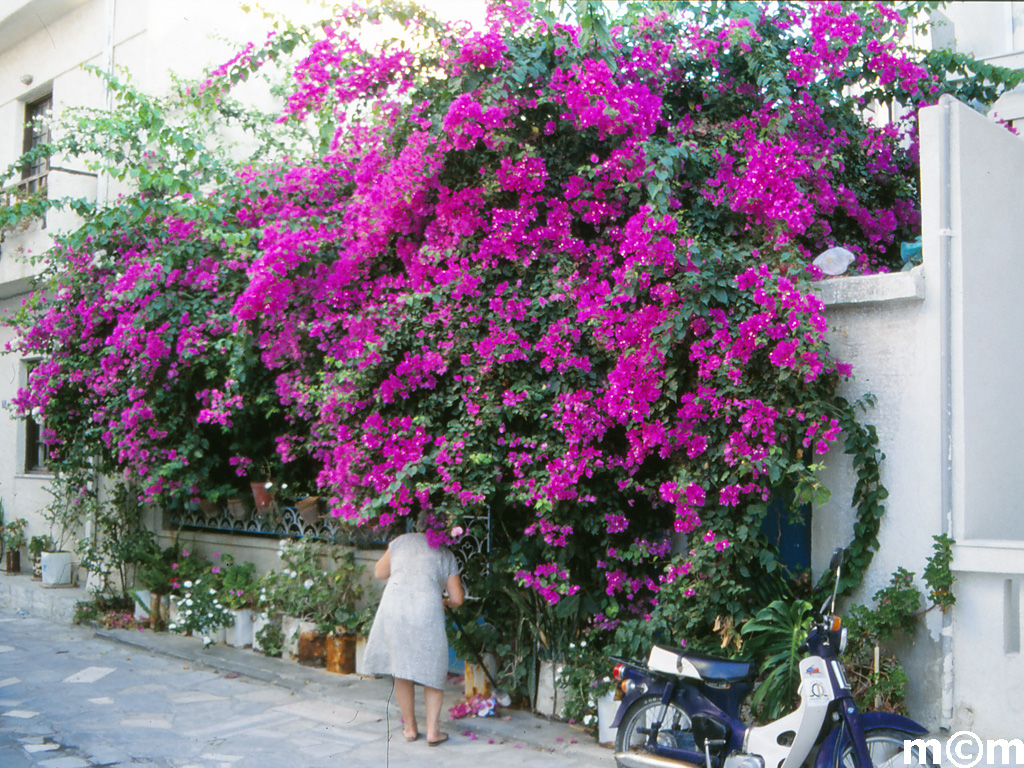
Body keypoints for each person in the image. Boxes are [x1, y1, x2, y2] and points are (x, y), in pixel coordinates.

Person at [362, 522, 464, 746]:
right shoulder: (446, 553)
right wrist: (446, 601)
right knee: (433, 669)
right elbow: (457, 599)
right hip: (426, 610)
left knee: (401, 668)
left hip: (394, 608)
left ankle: (409, 728)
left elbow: (380, 572)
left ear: (416, 525)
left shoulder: (400, 542)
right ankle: (433, 732)